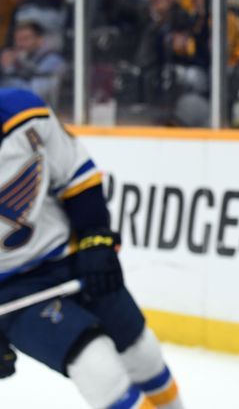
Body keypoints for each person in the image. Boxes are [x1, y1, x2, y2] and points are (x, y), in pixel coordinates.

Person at [0, 88, 184, 408]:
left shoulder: (24, 113)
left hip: (68, 258)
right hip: (11, 290)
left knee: (143, 353)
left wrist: (95, 236)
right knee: (98, 368)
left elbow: (76, 176)